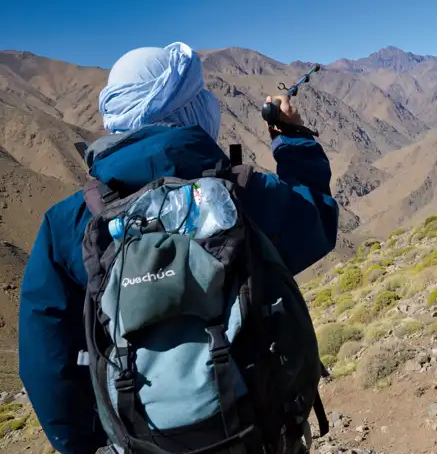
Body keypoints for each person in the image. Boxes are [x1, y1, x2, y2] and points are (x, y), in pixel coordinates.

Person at [18, 42, 339, 454]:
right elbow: (316, 223)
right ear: (189, 110)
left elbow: (46, 363)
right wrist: (291, 137)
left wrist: (87, 445)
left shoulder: (70, 225)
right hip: (254, 434)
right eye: (200, 96)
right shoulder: (239, 196)